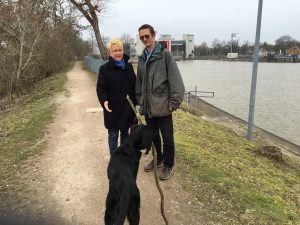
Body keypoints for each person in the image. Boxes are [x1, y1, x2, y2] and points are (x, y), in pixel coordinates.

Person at [136, 24, 185, 180]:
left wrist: (174, 102)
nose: (145, 39)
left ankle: (168, 164)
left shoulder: (165, 56)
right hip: (149, 107)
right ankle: (159, 159)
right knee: (152, 136)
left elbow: (176, 81)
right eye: (142, 37)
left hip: (164, 106)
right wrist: (139, 101)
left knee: (167, 138)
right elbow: (139, 82)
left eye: (147, 36)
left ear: (153, 35)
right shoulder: (142, 58)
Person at [96, 38, 136, 155]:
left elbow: (133, 86)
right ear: (110, 53)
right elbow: (101, 88)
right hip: (112, 108)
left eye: (120, 50)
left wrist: (136, 103)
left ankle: (122, 157)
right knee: (113, 135)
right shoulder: (104, 69)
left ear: (123, 50)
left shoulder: (128, 67)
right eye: (115, 51)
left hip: (127, 108)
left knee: (125, 133)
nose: (118, 53)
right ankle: (114, 158)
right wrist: (104, 101)